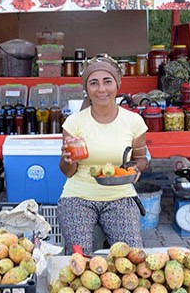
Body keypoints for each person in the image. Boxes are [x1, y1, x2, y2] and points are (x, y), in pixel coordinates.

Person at [57, 56, 149, 255]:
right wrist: (68, 161)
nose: (101, 89)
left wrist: (135, 168)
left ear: (117, 84)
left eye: (107, 81)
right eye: (93, 83)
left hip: (120, 196)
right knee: (79, 257)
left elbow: (142, 160)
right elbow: (67, 172)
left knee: (132, 257)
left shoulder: (133, 121)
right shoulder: (74, 122)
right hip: (78, 196)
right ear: (87, 88)